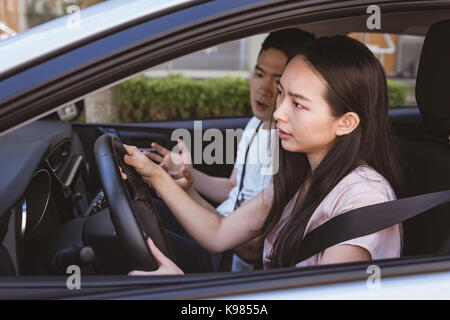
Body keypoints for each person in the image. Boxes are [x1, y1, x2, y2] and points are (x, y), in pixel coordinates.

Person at [125, 35, 404, 276]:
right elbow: (219, 232)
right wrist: (158, 177)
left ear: (346, 122)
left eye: (298, 104)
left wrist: (186, 293)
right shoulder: (300, 177)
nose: (279, 112)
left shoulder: (362, 198)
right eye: (282, 94)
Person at [144, 29, 315, 272]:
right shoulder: (256, 124)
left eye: (277, 81)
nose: (263, 88)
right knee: (147, 215)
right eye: (259, 74)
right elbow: (235, 186)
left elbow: (252, 246)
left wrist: (195, 203)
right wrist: (188, 174)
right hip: (220, 234)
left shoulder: (291, 148)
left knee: (141, 236)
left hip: (232, 259)